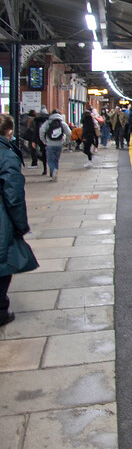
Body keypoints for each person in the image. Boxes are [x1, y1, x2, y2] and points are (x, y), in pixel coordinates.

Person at [0, 113, 40, 327]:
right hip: (3, 220)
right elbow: (13, 197)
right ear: (9, 131)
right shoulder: (6, 156)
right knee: (4, 262)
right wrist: (21, 225)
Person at [39, 109, 72, 181]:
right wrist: (66, 141)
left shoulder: (48, 122)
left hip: (50, 143)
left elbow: (41, 130)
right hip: (59, 143)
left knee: (50, 160)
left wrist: (43, 140)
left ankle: (53, 171)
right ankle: (54, 172)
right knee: (56, 159)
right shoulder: (62, 122)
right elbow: (69, 133)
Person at [31, 106, 49, 175]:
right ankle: (51, 168)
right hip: (49, 139)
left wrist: (34, 141)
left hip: (41, 140)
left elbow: (36, 132)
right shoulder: (49, 119)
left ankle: (45, 169)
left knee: (42, 153)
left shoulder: (37, 121)